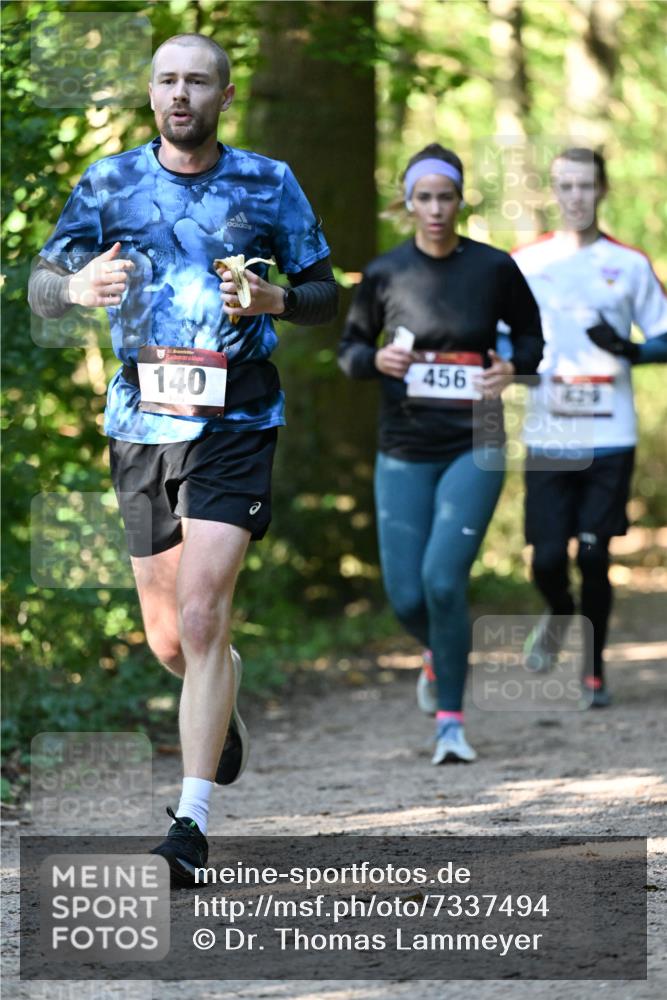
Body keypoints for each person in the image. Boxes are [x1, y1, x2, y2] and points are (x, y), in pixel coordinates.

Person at [28, 33, 337, 886]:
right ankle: (219, 700)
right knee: (171, 641)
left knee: (202, 616)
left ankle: (189, 822)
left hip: (238, 413)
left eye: (198, 81)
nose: (181, 93)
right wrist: (76, 288)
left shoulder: (268, 182)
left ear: (223, 98)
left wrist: (277, 298)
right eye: (167, 79)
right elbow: (41, 284)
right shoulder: (109, 182)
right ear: (150, 91)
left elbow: (326, 292)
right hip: (140, 418)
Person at [338, 144, 543, 765]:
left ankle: (450, 723)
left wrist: (512, 366)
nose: (434, 208)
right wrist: (377, 359)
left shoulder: (493, 268)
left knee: (442, 579)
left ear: (459, 201)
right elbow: (349, 352)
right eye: (423, 197)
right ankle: (440, 652)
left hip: (475, 438)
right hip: (403, 445)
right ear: (408, 203)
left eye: (444, 196)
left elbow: (533, 339)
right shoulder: (384, 273)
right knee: (406, 596)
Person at [513, 147, 667, 707]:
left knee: (597, 554)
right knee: (549, 557)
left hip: (611, 430)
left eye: (585, 186)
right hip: (548, 431)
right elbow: (497, 334)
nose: (575, 196)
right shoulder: (525, 262)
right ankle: (558, 611)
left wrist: (628, 349)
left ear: (602, 191)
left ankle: (595, 669)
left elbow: (664, 336)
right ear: (553, 192)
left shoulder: (628, 263)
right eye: (565, 186)